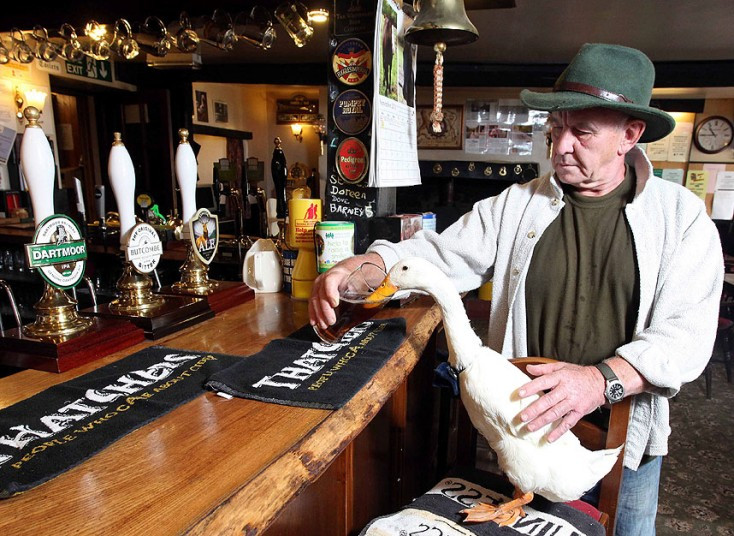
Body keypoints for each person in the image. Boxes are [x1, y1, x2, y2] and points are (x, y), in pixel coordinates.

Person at [309, 43, 724, 535]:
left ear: (630, 136)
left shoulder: (681, 218)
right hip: (525, 439)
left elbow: (688, 335)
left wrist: (598, 381)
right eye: (556, 130)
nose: (560, 146)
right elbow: (440, 257)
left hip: (623, 440)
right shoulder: (517, 205)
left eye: (581, 132)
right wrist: (370, 262)